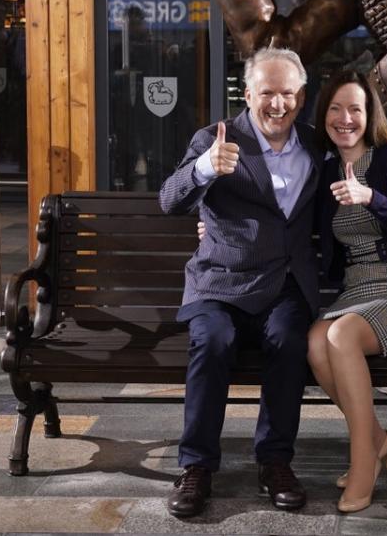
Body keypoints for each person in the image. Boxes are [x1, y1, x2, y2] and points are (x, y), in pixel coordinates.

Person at [159, 47, 322, 518]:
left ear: (302, 96)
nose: (277, 104)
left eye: (287, 93)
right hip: (221, 282)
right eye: (266, 92)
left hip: (286, 282)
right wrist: (206, 167)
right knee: (212, 340)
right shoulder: (215, 138)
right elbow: (170, 199)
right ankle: (196, 467)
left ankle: (275, 462)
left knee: (291, 341)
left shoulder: (314, 144)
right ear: (247, 93)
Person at [308, 69, 387, 513]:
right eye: (336, 109)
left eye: (355, 110)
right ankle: (379, 439)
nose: (345, 118)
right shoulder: (323, 170)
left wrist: (369, 198)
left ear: (369, 115)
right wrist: (218, 225)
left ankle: (362, 461)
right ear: (324, 114)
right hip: (356, 290)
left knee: (340, 336)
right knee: (314, 341)